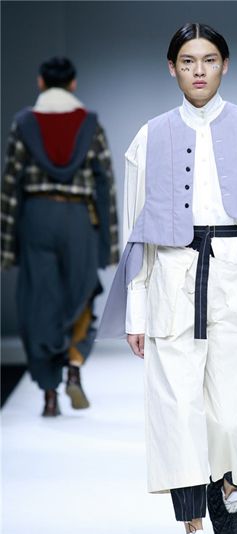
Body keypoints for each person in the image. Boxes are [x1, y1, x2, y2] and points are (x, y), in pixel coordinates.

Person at [98, 23, 237, 534]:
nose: (198, 70)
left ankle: (232, 480)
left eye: (208, 59)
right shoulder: (148, 137)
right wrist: (136, 309)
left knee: (232, 413)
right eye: (187, 61)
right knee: (176, 413)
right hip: (169, 281)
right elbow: (136, 231)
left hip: (235, 280)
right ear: (172, 68)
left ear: (225, 64)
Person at [1, 57, 119, 417]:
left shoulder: (24, 124)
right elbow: (104, 183)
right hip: (78, 220)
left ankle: (49, 395)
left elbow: (10, 185)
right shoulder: (90, 124)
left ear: (40, 82)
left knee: (39, 303)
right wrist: (109, 246)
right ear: (73, 84)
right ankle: (74, 366)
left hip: (36, 217)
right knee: (82, 295)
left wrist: (7, 247)